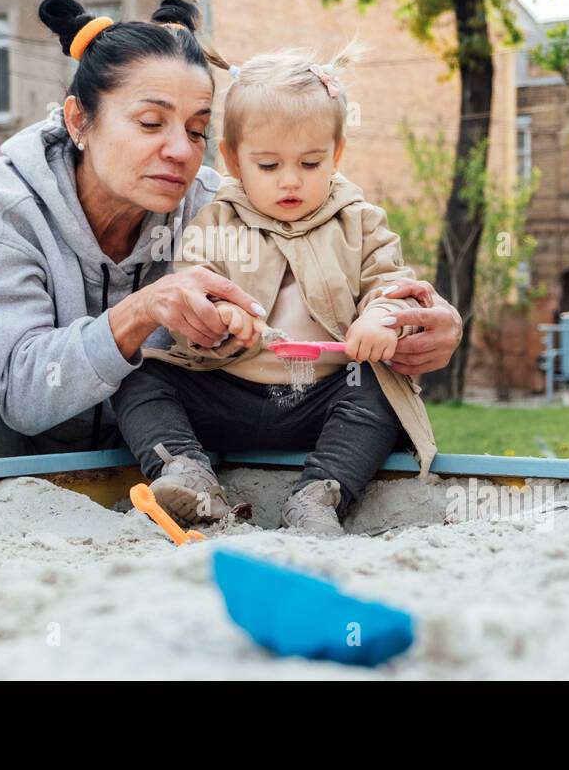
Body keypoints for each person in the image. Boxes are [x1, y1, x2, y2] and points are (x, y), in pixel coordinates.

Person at [0, 0, 464, 468]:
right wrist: (140, 312)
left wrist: (414, 324)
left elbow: (326, 283)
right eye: (150, 121)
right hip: (1, 454)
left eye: (197, 130)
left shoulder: (216, 203)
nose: (179, 150)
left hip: (143, 463)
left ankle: (181, 478)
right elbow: (21, 393)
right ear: (79, 120)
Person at [110, 42, 436, 536]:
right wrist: (220, 316)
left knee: (379, 390)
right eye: (268, 166)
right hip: (226, 389)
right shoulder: (214, 220)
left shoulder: (360, 221)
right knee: (139, 378)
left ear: (337, 155)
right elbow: (195, 283)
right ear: (234, 161)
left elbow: (390, 279)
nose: (291, 181)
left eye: (310, 164)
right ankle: (188, 475)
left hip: (324, 393)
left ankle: (319, 496)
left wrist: (381, 315)